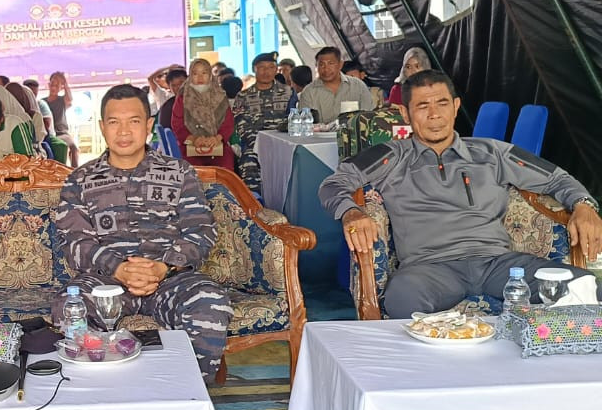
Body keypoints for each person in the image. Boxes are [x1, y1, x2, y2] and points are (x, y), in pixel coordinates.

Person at [319, 69, 602, 317]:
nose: (434, 115)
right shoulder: (392, 156)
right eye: (422, 106)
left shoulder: (492, 152)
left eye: (442, 103)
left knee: (586, 287)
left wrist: (584, 205)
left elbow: (557, 178)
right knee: (402, 297)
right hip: (429, 269)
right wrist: (351, 211)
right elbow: (333, 183)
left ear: (455, 106)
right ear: (405, 113)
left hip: (499, 265)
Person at [54, 84, 231, 381]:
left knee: (210, 301)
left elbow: (200, 230)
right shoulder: (80, 180)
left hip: (171, 278)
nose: (124, 131)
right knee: (68, 308)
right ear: (102, 127)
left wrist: (162, 267)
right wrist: (119, 269)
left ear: (148, 125)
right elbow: (74, 242)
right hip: (105, 282)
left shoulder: (179, 173)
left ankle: (188, 394)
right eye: (114, 122)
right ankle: (100, 391)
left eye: (133, 121)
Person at [232, 53, 293, 193]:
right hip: (254, 145)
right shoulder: (243, 96)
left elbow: (294, 119)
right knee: (249, 163)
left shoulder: (288, 92)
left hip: (283, 144)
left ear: (276, 69)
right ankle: (255, 204)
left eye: (271, 67)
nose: (266, 72)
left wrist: (278, 143)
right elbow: (241, 123)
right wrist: (260, 145)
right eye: (261, 68)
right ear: (254, 69)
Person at [172, 58, 234, 169]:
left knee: (225, 172)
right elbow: (177, 124)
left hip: (217, 146)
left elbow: (228, 123)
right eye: (195, 73)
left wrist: (217, 138)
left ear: (210, 74)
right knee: (194, 175)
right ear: (190, 76)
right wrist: (193, 139)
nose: (200, 77)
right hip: (190, 147)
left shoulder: (220, 96)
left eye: (204, 73)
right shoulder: (183, 97)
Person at [298, 47, 376, 123]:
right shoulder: (308, 92)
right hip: (320, 136)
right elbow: (305, 124)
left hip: (352, 135)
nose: (326, 69)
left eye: (330, 63)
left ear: (340, 64)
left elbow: (368, 117)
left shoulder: (358, 86)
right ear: (316, 67)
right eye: (321, 65)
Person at [46, 71, 80, 166]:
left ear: (61, 87)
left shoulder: (62, 101)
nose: (53, 87)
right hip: (50, 134)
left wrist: (65, 85)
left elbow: (69, 99)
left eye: (57, 85)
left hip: (63, 133)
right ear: (49, 85)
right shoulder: (43, 102)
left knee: (73, 148)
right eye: (52, 84)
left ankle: (75, 171)